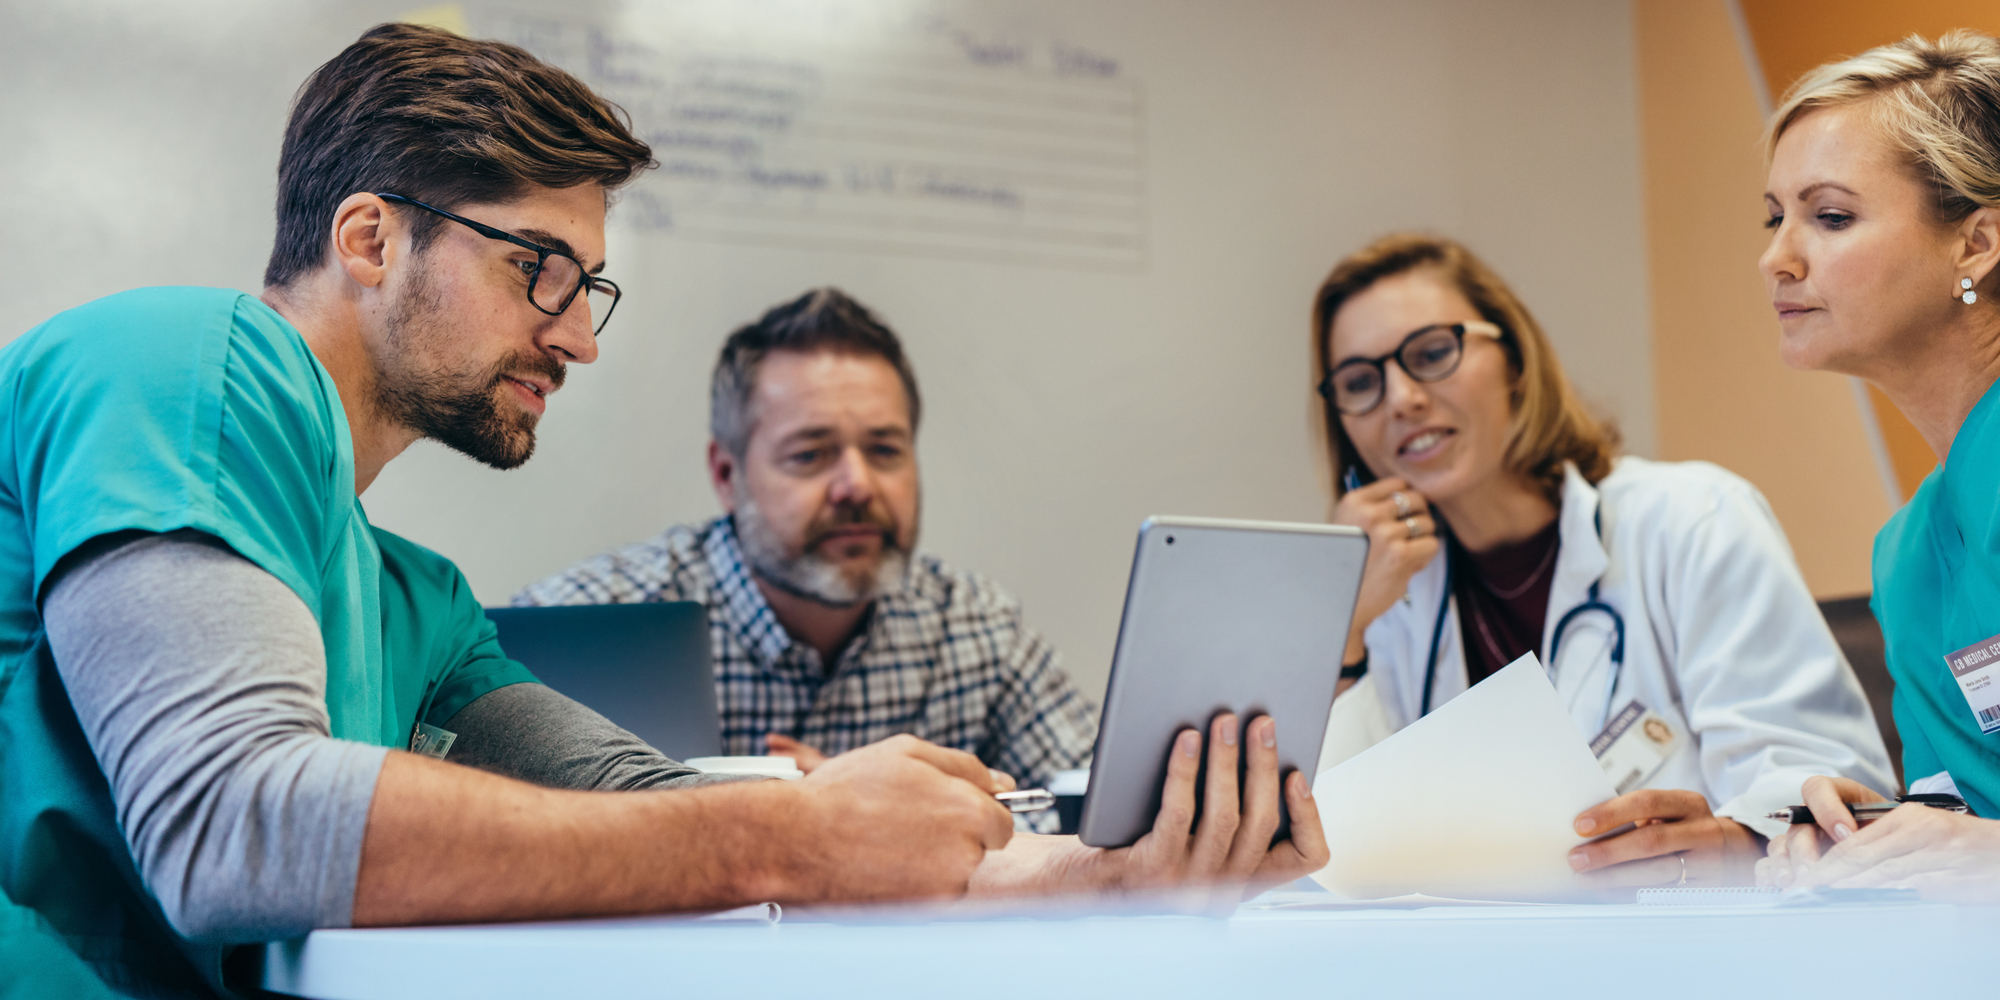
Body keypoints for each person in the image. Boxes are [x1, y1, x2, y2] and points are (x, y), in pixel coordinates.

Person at [0, 24, 1325, 998]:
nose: (577, 339)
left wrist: (1080, 883)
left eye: (592, 289)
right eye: (541, 271)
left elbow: (644, 813)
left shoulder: (420, 605)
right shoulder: (183, 362)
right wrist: (798, 836)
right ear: (368, 239)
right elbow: (232, 825)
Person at [1311, 233, 1893, 890]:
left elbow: (1821, 788)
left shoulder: (1689, 520)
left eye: (1432, 353)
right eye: (1360, 382)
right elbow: (1339, 857)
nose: (1400, 399)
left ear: (1514, 361)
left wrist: (1730, 844)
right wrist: (1345, 625)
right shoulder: (1386, 603)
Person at [512, 288, 1096, 828]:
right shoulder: (582, 624)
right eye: (811, 454)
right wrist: (804, 818)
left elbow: (1101, 817)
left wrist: (896, 815)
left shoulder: (976, 627)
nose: (857, 486)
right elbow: (510, 838)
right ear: (726, 474)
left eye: (885, 450)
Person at [1755, 30, 2000, 901]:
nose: (1776, 256)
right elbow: (1969, 818)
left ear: (1975, 245)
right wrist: (1880, 832)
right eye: (1774, 216)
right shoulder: (1906, 555)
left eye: (1829, 217)